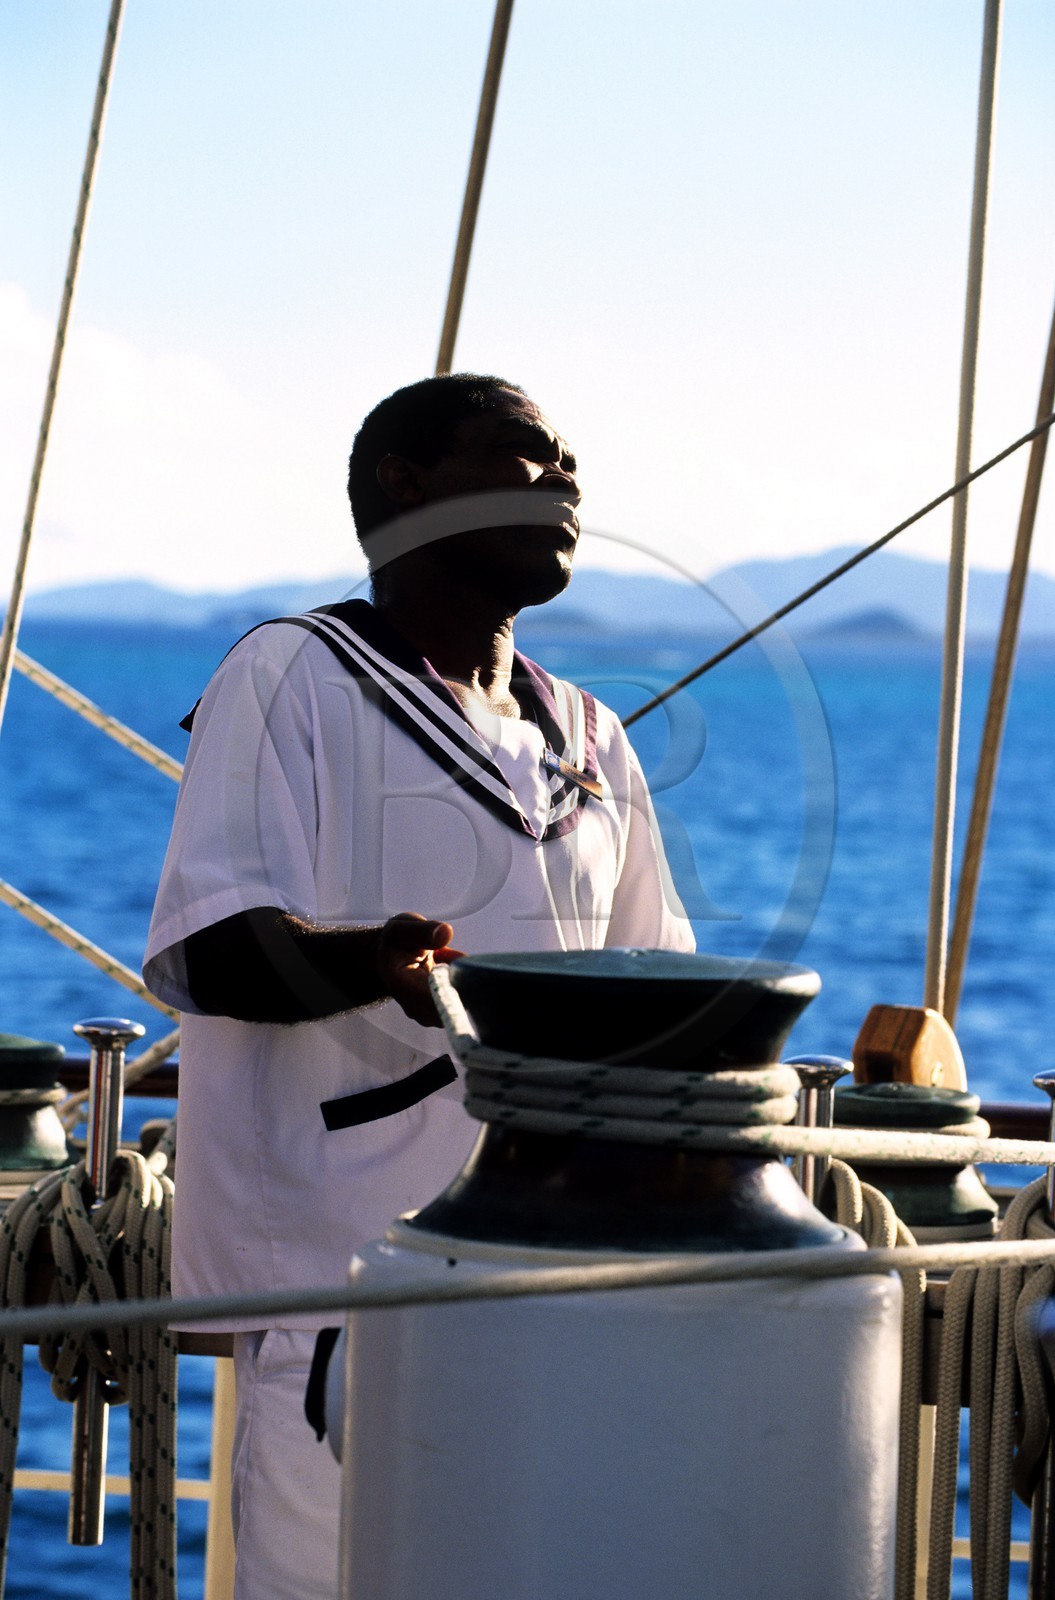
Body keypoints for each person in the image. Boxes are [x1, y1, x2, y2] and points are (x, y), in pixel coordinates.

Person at [143, 373, 694, 1598]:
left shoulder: (591, 738)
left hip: (558, 1284)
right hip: (350, 1292)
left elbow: (657, 988)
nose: (564, 481)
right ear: (406, 483)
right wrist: (368, 962)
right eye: (526, 453)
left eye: (570, 464)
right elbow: (215, 941)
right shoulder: (290, 673)